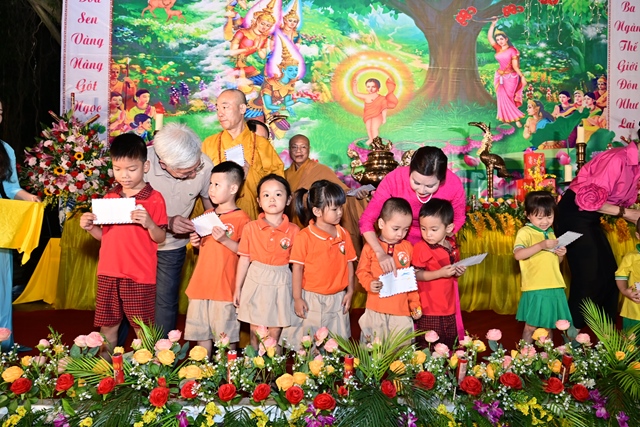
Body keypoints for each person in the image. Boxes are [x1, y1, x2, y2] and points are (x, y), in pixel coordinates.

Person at [79, 134, 167, 358]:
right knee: (107, 327)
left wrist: (149, 223)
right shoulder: (110, 198)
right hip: (109, 272)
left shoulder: (154, 198)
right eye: (118, 169)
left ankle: (146, 370)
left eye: (131, 169)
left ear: (145, 166)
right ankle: (104, 370)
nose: (124, 175)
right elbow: (106, 237)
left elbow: (160, 237)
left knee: (142, 329)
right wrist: (90, 227)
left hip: (139, 275)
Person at [556, 134, 640, 331]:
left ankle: (606, 336)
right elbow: (587, 199)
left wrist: (632, 215)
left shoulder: (635, 165)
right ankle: (571, 335)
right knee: (590, 277)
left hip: (591, 218)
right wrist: (627, 213)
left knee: (609, 276)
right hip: (574, 214)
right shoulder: (617, 159)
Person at [141, 123, 214, 340]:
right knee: (133, 299)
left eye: (196, 168)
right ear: (163, 164)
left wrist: (208, 229)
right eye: (186, 172)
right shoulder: (142, 162)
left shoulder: (204, 166)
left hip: (173, 245)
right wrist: (168, 221)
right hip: (137, 245)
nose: (194, 174)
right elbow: (128, 205)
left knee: (166, 301)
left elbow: (210, 206)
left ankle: (161, 352)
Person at [359, 146, 466, 274]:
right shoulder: (395, 178)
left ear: (441, 180)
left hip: (436, 240)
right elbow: (367, 220)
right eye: (416, 182)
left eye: (430, 186)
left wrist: (438, 242)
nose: (422, 190)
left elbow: (459, 218)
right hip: (400, 241)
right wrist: (379, 252)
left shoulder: (453, 184)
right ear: (410, 171)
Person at [281, 180, 356, 348]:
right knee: (310, 347)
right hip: (311, 299)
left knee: (335, 347)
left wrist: (350, 291)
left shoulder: (344, 234)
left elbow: (349, 263)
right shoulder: (304, 237)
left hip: (337, 299)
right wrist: (297, 298)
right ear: (317, 211)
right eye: (334, 209)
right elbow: (297, 269)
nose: (340, 212)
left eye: (341, 207)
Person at [186, 162, 250, 354]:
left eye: (217, 185)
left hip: (224, 288)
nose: (211, 189)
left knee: (225, 340)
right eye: (210, 184)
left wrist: (224, 240)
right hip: (200, 286)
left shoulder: (242, 219)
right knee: (202, 337)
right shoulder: (207, 215)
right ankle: (204, 372)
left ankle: (227, 373)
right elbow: (206, 249)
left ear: (233, 188)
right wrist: (196, 243)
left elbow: (245, 252)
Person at [234, 174, 300, 350]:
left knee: (275, 332)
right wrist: (238, 288)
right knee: (256, 330)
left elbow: (298, 266)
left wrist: (298, 295)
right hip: (256, 279)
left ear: (288, 200)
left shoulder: (294, 231)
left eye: (278, 194)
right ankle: (254, 367)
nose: (272, 199)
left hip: (281, 280)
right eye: (266, 195)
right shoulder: (250, 228)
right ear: (258, 201)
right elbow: (244, 259)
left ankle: (274, 367)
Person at [202, 89, 284, 220]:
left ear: (242, 108)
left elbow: (278, 183)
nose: (220, 114)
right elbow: (200, 184)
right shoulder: (209, 144)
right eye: (217, 109)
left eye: (225, 107)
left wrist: (250, 173)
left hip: (253, 216)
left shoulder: (261, 144)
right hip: (218, 218)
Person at [0, 98, 40, 352]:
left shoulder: (5, 149)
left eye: (0, 112)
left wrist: (28, 197)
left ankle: (4, 342)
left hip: (2, 222)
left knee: (3, 285)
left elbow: (11, 187)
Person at [285, 134, 368, 254]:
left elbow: (342, 191)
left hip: (317, 225)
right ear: (289, 150)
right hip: (293, 226)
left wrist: (356, 195)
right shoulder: (285, 174)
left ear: (309, 149)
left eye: (303, 147)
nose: (299, 151)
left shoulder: (320, 170)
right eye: (294, 147)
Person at [356, 197, 422, 342]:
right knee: (374, 348)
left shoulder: (408, 248)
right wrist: (369, 283)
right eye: (396, 228)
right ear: (381, 223)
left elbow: (410, 281)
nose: (400, 234)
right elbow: (361, 271)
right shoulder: (370, 247)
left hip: (401, 311)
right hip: (376, 309)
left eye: (406, 229)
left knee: (400, 349)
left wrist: (414, 304)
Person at [514, 191, 572, 343]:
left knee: (549, 325)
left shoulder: (551, 233)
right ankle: (524, 354)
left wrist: (560, 254)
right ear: (527, 215)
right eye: (539, 218)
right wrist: (540, 245)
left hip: (554, 284)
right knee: (531, 326)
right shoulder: (525, 232)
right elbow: (518, 255)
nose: (545, 221)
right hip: (536, 286)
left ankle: (548, 355)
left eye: (549, 216)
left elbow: (555, 262)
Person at [412, 199, 466, 349]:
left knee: (449, 345)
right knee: (428, 347)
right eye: (423, 229)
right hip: (429, 307)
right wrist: (440, 273)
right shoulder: (421, 247)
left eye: (433, 229)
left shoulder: (452, 245)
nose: (428, 234)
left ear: (449, 228)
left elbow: (452, 272)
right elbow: (416, 274)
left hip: (449, 306)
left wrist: (458, 272)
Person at [488, 18, 526, 127]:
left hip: (511, 77)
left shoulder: (513, 50)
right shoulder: (498, 49)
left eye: (501, 39)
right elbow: (490, 38)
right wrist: (493, 24)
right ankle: (505, 119)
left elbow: (515, 66)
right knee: (501, 98)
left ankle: (516, 119)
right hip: (499, 76)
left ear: (506, 39)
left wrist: (522, 77)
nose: (500, 41)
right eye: (498, 39)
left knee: (509, 97)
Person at [351, 77, 398, 145]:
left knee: (374, 128)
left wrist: (384, 118)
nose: (370, 89)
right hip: (368, 115)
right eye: (368, 87)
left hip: (377, 115)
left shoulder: (382, 98)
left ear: (378, 88)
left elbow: (384, 108)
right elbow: (356, 93)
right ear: (366, 88)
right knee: (368, 128)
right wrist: (354, 85)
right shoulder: (366, 96)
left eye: (373, 87)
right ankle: (371, 139)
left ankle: (376, 142)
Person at [614, 217, 640, 331]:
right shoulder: (631, 257)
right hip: (634, 311)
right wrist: (625, 291)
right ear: (638, 236)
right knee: (631, 340)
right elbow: (620, 276)